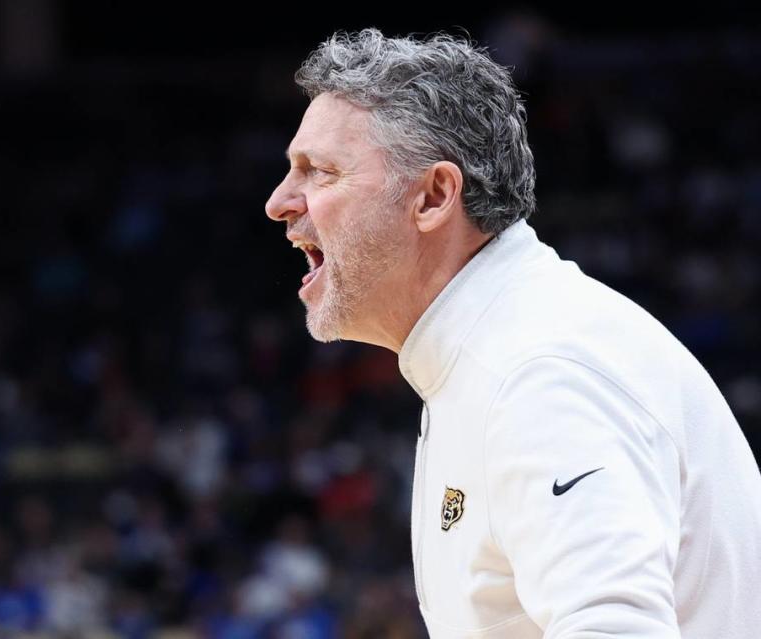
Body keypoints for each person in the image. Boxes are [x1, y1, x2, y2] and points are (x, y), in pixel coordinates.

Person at [264, 28, 761, 638]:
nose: (279, 201)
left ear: (434, 197)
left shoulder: (539, 368)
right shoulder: (494, 346)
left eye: (318, 172)